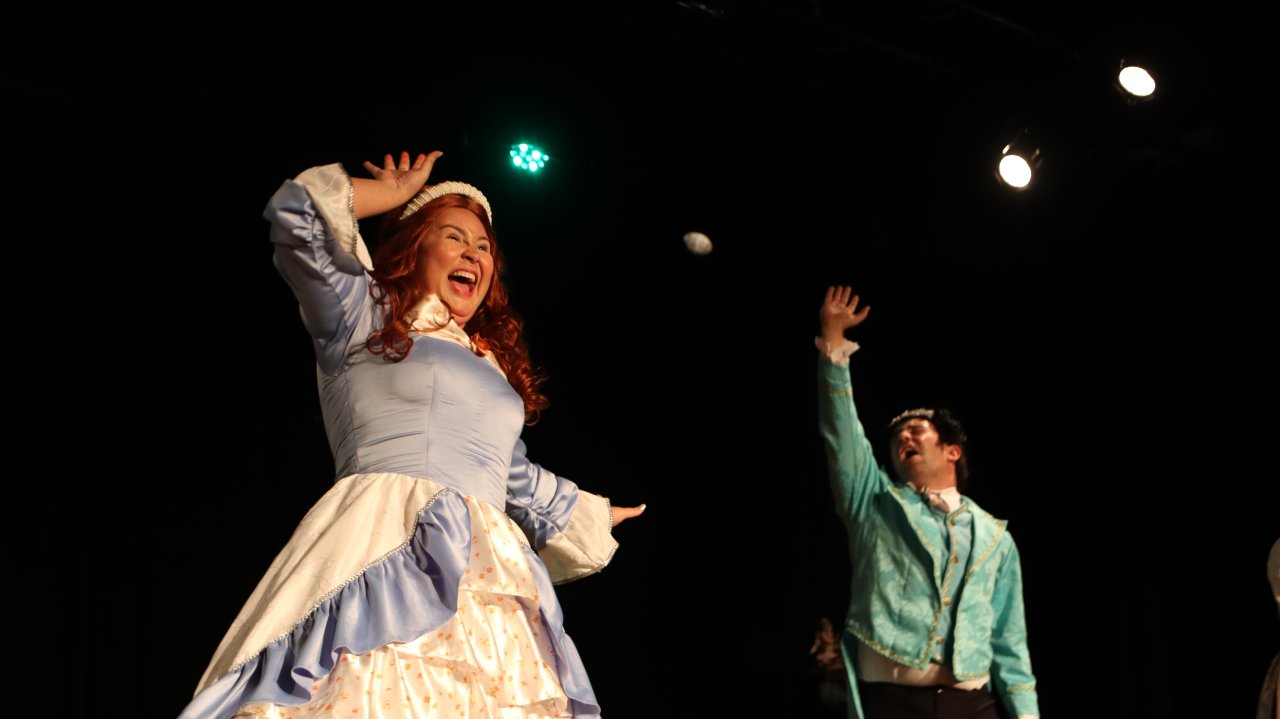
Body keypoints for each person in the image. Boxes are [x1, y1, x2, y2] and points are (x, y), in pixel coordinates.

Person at [178, 150, 644, 719]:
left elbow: (512, 474)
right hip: (387, 538)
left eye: (483, 247)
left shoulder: (489, 365)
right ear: (413, 249)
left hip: (486, 572)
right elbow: (300, 213)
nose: (473, 254)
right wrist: (393, 196)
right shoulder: (365, 317)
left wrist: (590, 513)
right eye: (454, 237)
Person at [814, 285, 1039, 719]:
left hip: (971, 705)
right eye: (898, 436)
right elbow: (841, 436)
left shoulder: (995, 539)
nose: (904, 436)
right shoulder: (874, 504)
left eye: (917, 429)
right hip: (893, 703)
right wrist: (834, 346)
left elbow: (1010, 642)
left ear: (952, 451)